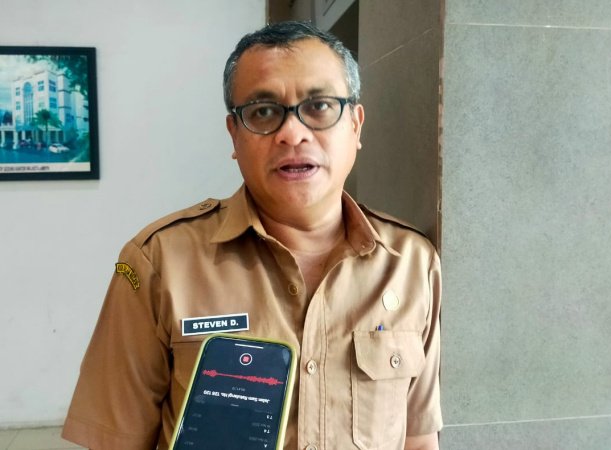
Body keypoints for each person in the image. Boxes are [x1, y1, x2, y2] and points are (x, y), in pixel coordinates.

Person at [62, 21, 442, 450]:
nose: (292, 133)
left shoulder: (412, 264)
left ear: (355, 125)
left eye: (319, 106)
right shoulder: (158, 262)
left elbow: (418, 439)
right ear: (234, 134)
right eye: (263, 112)